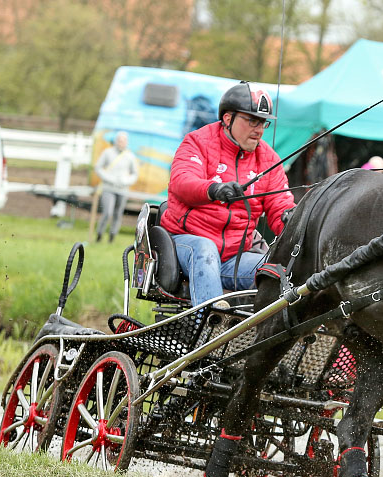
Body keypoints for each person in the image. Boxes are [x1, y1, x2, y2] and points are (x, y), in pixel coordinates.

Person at [160, 82, 294, 308]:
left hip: (234, 257)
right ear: (228, 118)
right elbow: (182, 182)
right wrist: (213, 190)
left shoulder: (269, 161)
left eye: (263, 123)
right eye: (252, 121)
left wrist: (297, 220)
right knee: (205, 250)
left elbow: (281, 207)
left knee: (278, 271)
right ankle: (212, 323)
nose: (259, 130)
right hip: (184, 244)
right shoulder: (197, 142)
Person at [94, 131, 139, 242]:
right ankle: (99, 234)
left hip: (123, 190)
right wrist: (108, 178)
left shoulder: (130, 156)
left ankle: (112, 237)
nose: (121, 142)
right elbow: (98, 167)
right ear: (116, 141)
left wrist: (126, 181)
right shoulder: (107, 153)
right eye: (119, 140)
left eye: (123, 140)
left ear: (126, 142)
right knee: (107, 212)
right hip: (108, 188)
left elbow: (135, 174)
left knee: (118, 214)